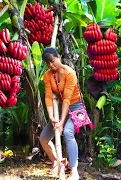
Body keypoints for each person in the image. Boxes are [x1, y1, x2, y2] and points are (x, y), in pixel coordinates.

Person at [39, 47, 82, 180]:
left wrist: (62, 122)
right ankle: (57, 163)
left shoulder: (70, 73)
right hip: (60, 110)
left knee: (68, 132)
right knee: (43, 139)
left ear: (58, 57)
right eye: (48, 64)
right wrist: (52, 116)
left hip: (76, 107)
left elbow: (67, 99)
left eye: (52, 61)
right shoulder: (47, 75)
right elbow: (48, 97)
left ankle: (74, 171)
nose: (51, 65)